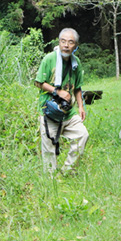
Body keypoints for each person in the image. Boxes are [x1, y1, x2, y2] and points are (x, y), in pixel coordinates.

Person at [34, 28, 89, 175]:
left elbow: (77, 87)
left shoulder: (76, 62)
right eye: (63, 41)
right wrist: (57, 92)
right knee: (49, 149)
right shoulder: (49, 59)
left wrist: (81, 107)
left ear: (75, 45)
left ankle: (67, 172)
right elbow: (38, 82)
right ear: (59, 42)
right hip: (49, 110)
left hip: (68, 112)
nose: (66, 45)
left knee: (82, 135)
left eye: (70, 42)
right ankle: (51, 181)